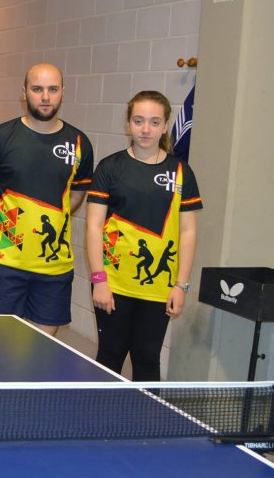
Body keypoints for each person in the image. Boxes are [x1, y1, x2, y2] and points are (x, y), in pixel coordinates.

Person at [84, 90, 202, 381]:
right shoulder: (110, 167)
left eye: (154, 122)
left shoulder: (181, 172)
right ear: (128, 123)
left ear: (165, 126)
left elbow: (188, 231)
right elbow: (94, 227)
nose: (146, 129)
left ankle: (145, 413)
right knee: (110, 355)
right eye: (138, 121)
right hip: (113, 283)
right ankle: (97, 411)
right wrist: (99, 280)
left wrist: (181, 285)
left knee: (147, 358)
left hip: (159, 287)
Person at [0, 63, 93, 335]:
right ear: (24, 92)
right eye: (37, 89)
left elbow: (76, 194)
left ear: (63, 92)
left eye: (53, 89)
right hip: (4, 261)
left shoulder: (80, 143)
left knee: (43, 349)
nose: (45, 97)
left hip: (54, 267)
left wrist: (51, 217)